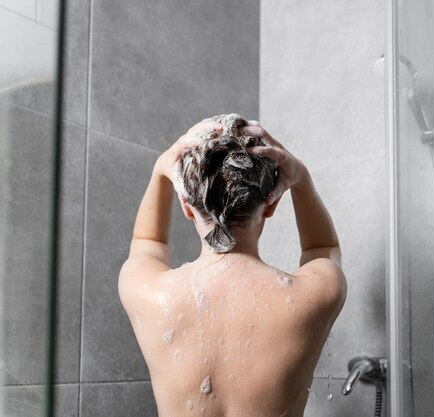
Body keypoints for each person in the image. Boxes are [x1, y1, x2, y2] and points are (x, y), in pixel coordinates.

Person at [118, 114, 346, 417]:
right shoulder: (309, 298)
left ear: (186, 206)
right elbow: (322, 249)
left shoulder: (151, 294)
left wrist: (161, 169)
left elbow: (148, 242)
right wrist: (301, 178)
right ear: (272, 204)